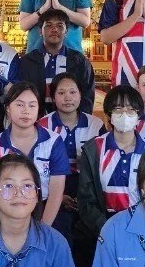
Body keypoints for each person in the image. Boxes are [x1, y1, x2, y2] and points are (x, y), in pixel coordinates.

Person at [74, 85, 145, 262]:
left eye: (131, 110)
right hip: (101, 229)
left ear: (139, 116)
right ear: (109, 115)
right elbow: (86, 200)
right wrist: (108, 229)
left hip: (141, 228)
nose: (125, 115)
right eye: (118, 109)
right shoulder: (93, 149)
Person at [0, 82, 70, 228]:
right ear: (8, 109)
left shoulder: (53, 142)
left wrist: (43, 229)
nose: (26, 111)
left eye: (32, 105)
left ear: (39, 109)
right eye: (19, 105)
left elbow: (56, 191)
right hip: (9, 212)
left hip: (47, 211)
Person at [38, 73, 104, 237]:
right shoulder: (42, 125)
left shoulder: (96, 124)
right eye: (61, 93)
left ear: (81, 95)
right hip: (52, 185)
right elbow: (37, 166)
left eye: (73, 92)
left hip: (88, 186)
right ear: (53, 97)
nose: (67, 97)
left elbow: (103, 165)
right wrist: (58, 196)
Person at [17, 9, 96, 115]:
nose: (54, 29)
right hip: (36, 123)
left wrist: (80, 123)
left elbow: (87, 96)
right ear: (40, 31)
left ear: (66, 31)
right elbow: (20, 94)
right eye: (49, 25)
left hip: (70, 122)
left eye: (60, 26)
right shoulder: (27, 62)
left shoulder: (79, 62)